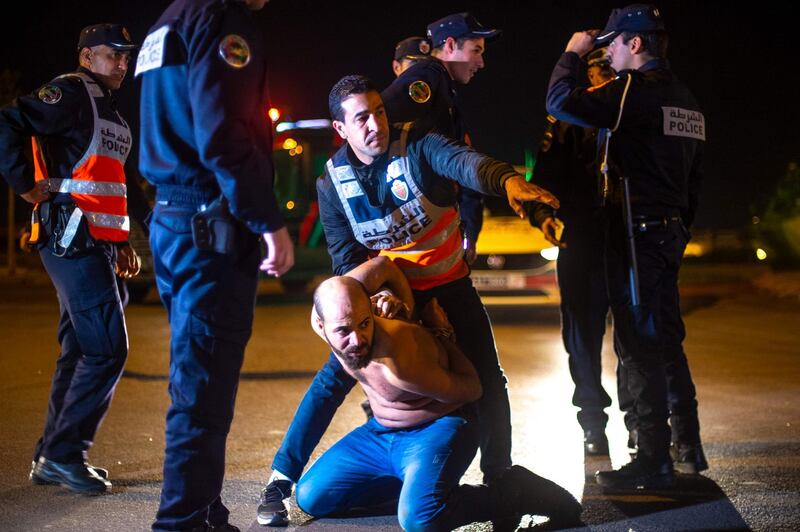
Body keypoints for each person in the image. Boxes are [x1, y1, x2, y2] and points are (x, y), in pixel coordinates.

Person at [256, 74, 559, 526]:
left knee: (487, 378)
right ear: (341, 129)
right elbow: (346, 259)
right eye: (361, 118)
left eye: (379, 111)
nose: (375, 124)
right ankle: (282, 479)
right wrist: (375, 299)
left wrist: (508, 181)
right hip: (387, 293)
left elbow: (464, 162)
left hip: (447, 288)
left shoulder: (417, 145)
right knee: (334, 376)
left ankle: (500, 478)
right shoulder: (333, 181)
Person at [136, 0, 294, 530]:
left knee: (194, 379)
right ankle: (181, 522)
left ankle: (205, 512)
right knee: (202, 389)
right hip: (210, 222)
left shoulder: (169, 19)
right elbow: (221, 132)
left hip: (173, 216)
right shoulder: (223, 20)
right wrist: (267, 220)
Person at [294, 256, 582, 531]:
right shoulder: (329, 318)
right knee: (311, 498)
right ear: (320, 325)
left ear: (370, 312)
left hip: (436, 429)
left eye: (364, 324)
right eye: (343, 330)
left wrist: (441, 334)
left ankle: (516, 492)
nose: (356, 339)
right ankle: (415, 490)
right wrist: (405, 304)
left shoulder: (397, 361)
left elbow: (472, 389)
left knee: (420, 520)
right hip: (381, 434)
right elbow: (382, 265)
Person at [546, 4, 706, 489]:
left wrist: (572, 53)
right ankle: (686, 444)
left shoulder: (635, 91)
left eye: (613, 43)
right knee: (664, 338)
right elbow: (695, 181)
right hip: (668, 231)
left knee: (638, 344)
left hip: (637, 234)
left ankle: (652, 460)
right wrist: (676, 229)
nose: (608, 52)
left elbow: (560, 101)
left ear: (635, 44)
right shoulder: (687, 98)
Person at [0, 23, 140, 494]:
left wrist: (122, 242)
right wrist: (23, 184)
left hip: (95, 243)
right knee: (106, 348)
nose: (123, 63)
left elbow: (109, 185)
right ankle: (64, 455)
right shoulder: (71, 93)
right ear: (86, 57)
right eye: (112, 55)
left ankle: (50, 456)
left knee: (80, 350)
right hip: (69, 237)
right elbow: (7, 120)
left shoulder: (111, 113)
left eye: (126, 56)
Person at [529, 48, 616, 456]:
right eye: (598, 75)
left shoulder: (633, 114)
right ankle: (592, 424)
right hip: (579, 241)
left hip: (626, 240)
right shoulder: (566, 122)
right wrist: (544, 216)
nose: (604, 84)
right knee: (581, 339)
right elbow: (543, 181)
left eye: (610, 75)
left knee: (636, 338)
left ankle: (642, 425)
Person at [382, 12, 503, 265]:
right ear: (450, 45)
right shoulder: (429, 73)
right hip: (416, 234)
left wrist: (468, 229)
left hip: (431, 230)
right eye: (476, 50)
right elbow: (381, 123)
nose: (481, 63)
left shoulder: (444, 91)